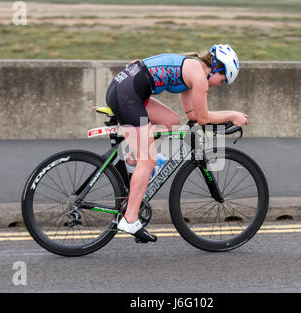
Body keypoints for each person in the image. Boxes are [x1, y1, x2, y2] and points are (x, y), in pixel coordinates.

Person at [105, 44, 249, 243]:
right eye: (223, 80)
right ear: (216, 68)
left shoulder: (192, 70)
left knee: (171, 122)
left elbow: (192, 115)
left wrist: (212, 119)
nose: (220, 84)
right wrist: (232, 115)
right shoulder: (199, 78)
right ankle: (130, 219)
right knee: (148, 161)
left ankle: (132, 161)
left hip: (128, 90)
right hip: (128, 95)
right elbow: (204, 118)